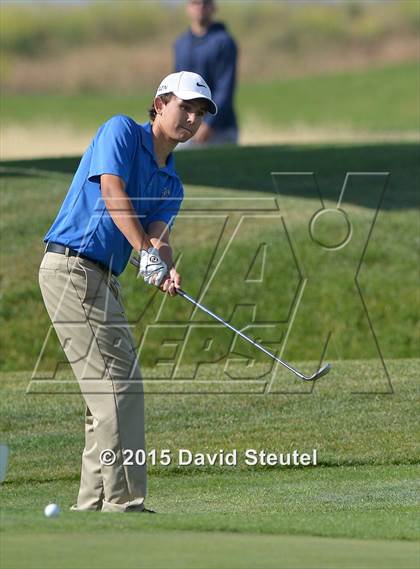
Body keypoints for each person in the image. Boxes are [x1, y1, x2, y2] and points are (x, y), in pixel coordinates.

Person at [38, 71, 217, 513]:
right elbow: (112, 193)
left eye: (199, 113)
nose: (191, 119)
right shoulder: (120, 130)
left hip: (103, 278)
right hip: (72, 267)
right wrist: (145, 252)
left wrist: (165, 265)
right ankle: (124, 504)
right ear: (159, 104)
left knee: (107, 394)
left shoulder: (172, 184)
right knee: (120, 389)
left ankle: (93, 506)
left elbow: (157, 237)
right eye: (185, 107)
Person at [174, 0, 238, 145]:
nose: (201, 7)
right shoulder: (181, 44)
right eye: (195, 3)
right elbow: (178, 85)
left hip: (219, 128)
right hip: (186, 124)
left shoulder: (224, 42)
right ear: (188, 8)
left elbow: (225, 87)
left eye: (205, 3)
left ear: (214, 7)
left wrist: (209, 123)